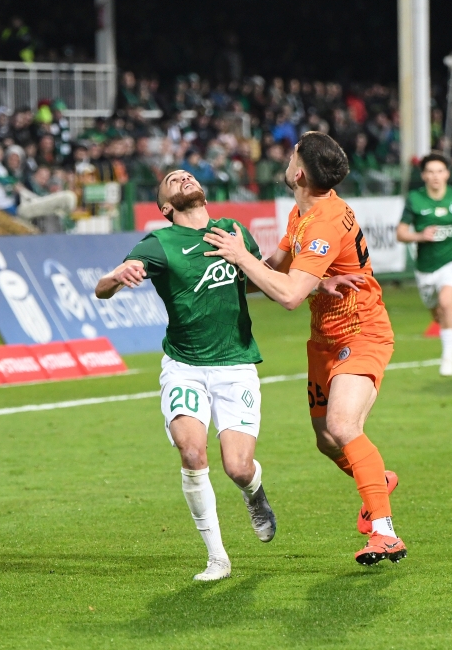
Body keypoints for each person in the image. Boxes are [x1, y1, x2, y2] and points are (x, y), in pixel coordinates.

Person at [203, 131, 407, 566]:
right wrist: (218, 273)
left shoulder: (323, 222)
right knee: (327, 440)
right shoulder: (304, 211)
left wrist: (242, 256)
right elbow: (275, 270)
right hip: (325, 339)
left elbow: (290, 294)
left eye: (293, 154)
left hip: (361, 331)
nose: (288, 158)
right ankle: (376, 478)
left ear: (298, 173)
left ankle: (386, 533)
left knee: (343, 424)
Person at [94, 169, 277, 582]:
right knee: (192, 454)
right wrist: (117, 277)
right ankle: (217, 558)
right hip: (185, 367)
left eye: (187, 175)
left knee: (238, 467)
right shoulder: (159, 243)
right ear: (165, 207)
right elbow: (101, 288)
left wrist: (312, 284)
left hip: (235, 364)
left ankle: (254, 493)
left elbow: (255, 280)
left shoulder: (233, 231)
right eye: (173, 180)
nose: (183, 177)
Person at [396, 154, 452, 376]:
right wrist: (420, 236)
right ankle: (449, 332)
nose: (435, 176)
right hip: (426, 268)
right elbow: (401, 233)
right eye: (430, 172)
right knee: (438, 314)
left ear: (447, 174)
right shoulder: (415, 199)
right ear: (424, 176)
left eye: (440, 171)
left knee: (446, 301)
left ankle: (448, 358)